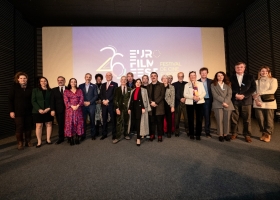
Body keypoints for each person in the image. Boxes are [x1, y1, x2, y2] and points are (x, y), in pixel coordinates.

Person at [230, 62, 256, 143]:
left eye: (241, 67)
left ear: (244, 68)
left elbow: (253, 88)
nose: (239, 68)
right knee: (234, 118)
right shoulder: (231, 77)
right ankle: (234, 133)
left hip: (246, 101)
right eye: (237, 67)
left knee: (247, 119)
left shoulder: (250, 77)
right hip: (235, 100)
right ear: (235, 68)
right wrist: (235, 95)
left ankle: (247, 135)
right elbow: (228, 88)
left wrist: (244, 95)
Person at [8, 72, 33, 150]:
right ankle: (20, 142)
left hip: (29, 111)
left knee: (28, 127)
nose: (23, 80)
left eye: (24, 78)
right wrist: (11, 111)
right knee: (19, 127)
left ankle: (28, 141)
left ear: (27, 79)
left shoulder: (30, 88)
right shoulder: (14, 88)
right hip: (18, 111)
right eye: (21, 78)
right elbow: (10, 100)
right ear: (18, 79)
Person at [253, 66, 278, 142]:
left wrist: (260, 93)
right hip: (258, 102)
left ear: (268, 72)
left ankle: (268, 134)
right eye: (262, 71)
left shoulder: (273, 80)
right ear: (259, 72)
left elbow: (272, 90)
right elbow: (253, 92)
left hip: (269, 103)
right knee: (260, 119)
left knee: (269, 119)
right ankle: (263, 133)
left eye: (266, 71)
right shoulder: (256, 81)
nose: (264, 72)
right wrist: (257, 100)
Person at [211, 71, 234, 142]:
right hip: (218, 104)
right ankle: (220, 134)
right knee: (219, 120)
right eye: (218, 76)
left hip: (228, 104)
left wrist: (226, 102)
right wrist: (223, 101)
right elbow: (215, 95)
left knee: (227, 120)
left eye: (221, 75)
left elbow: (229, 94)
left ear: (224, 76)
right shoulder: (213, 85)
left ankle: (226, 134)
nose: (220, 77)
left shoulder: (228, 84)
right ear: (216, 77)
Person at [128, 79, 151, 146]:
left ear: (141, 83)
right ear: (135, 83)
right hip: (133, 109)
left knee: (139, 123)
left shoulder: (144, 90)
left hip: (140, 108)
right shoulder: (132, 90)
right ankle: (139, 134)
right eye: (136, 82)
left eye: (139, 82)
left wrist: (143, 107)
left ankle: (138, 138)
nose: (138, 83)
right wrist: (129, 108)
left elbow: (145, 99)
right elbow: (131, 100)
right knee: (135, 122)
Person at [32, 77, 53, 148]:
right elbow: (33, 101)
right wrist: (39, 109)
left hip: (48, 110)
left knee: (49, 124)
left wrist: (49, 108)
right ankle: (39, 141)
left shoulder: (50, 90)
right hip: (37, 111)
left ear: (47, 82)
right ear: (39, 82)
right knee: (39, 126)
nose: (43, 82)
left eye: (45, 81)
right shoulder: (35, 90)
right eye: (42, 81)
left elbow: (52, 101)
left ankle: (48, 139)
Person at [184, 71, 206, 140]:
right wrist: (192, 97)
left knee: (199, 119)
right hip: (190, 103)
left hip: (199, 102)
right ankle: (191, 133)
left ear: (196, 76)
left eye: (194, 75)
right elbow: (185, 94)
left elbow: (204, 92)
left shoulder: (200, 83)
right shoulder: (187, 85)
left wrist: (198, 97)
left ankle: (198, 134)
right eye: (191, 75)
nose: (193, 77)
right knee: (190, 119)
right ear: (189, 77)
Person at [64, 78, 84, 145]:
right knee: (70, 124)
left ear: (76, 83)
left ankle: (77, 137)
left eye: (74, 82)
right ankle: (71, 138)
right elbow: (66, 100)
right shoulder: (66, 91)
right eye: (72, 82)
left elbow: (81, 99)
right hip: (70, 110)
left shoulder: (79, 90)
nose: (73, 83)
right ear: (70, 83)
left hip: (78, 110)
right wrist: (72, 106)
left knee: (78, 123)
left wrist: (77, 106)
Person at [146, 72, 165, 142]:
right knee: (152, 122)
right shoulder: (148, 86)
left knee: (159, 122)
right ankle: (152, 135)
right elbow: (147, 96)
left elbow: (162, 95)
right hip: (151, 107)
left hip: (159, 106)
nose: (153, 77)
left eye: (155, 76)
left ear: (157, 77)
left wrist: (156, 102)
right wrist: (151, 102)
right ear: (150, 77)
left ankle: (160, 136)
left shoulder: (161, 85)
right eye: (152, 76)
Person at [79, 73, 98, 140]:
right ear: (85, 77)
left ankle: (93, 135)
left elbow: (96, 95)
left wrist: (90, 102)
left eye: (89, 77)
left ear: (91, 78)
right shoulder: (80, 86)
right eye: (87, 77)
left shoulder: (94, 86)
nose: (88, 78)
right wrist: (83, 102)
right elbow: (79, 95)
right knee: (83, 121)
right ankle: (83, 135)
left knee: (92, 121)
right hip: (83, 106)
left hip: (91, 105)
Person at [113, 76, 132, 144]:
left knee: (126, 122)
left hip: (127, 109)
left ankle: (126, 134)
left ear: (127, 81)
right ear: (120, 81)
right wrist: (117, 108)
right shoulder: (117, 89)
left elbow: (131, 100)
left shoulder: (130, 89)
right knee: (119, 123)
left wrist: (130, 108)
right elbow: (115, 99)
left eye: (125, 80)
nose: (123, 81)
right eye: (122, 79)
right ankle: (117, 137)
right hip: (119, 108)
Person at [100, 72, 118, 140]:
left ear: (112, 76)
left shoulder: (115, 84)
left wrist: (108, 100)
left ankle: (114, 134)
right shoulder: (103, 84)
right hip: (104, 105)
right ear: (105, 76)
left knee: (113, 120)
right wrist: (103, 100)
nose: (108, 76)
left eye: (109, 75)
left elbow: (114, 94)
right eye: (107, 75)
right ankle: (104, 134)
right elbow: (100, 94)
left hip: (111, 104)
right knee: (104, 120)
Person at [50, 76, 67, 144]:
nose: (60, 81)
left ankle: (69, 136)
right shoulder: (54, 90)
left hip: (68, 110)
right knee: (60, 124)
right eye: (59, 80)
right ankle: (61, 138)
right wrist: (52, 109)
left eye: (62, 80)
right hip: (58, 110)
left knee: (68, 124)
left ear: (64, 81)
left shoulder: (69, 89)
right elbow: (52, 101)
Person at [198, 67, 213, 138]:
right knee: (199, 117)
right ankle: (199, 131)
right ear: (200, 74)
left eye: (205, 72)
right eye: (202, 73)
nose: (204, 74)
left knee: (207, 117)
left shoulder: (211, 81)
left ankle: (207, 132)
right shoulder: (196, 82)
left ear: (207, 73)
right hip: (199, 101)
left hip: (207, 100)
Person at [172, 72, 188, 137]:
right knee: (177, 118)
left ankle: (187, 130)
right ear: (177, 76)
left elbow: (189, 92)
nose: (180, 77)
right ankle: (177, 131)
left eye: (182, 76)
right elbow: (174, 94)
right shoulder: (174, 84)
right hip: (177, 102)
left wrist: (185, 98)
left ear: (183, 76)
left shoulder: (187, 84)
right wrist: (180, 99)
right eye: (179, 76)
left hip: (186, 102)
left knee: (186, 118)